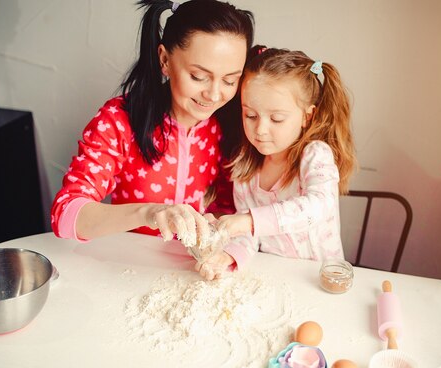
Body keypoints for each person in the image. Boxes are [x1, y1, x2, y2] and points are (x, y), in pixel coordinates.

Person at [50, 0, 254, 246]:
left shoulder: (232, 124)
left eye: (230, 81)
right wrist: (149, 213)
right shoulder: (120, 119)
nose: (213, 94)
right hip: (127, 265)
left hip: (194, 270)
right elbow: (65, 214)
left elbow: (231, 207)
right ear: (165, 60)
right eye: (198, 77)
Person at [196, 46, 358, 280]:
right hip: (274, 277)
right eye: (250, 115)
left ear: (307, 116)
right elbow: (249, 236)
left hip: (320, 279)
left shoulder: (315, 155)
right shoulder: (245, 168)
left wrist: (249, 220)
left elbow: (318, 206)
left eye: (276, 118)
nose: (260, 129)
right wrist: (228, 256)